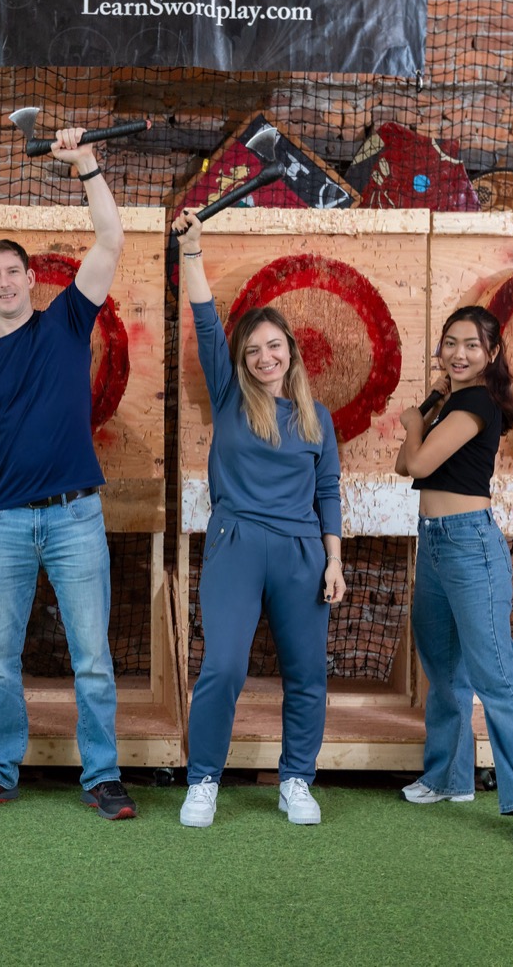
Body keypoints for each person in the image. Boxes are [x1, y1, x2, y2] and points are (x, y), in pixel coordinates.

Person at [0, 127, 137, 820]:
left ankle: (103, 775)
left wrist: (85, 163)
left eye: (13, 271)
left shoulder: (66, 322)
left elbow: (110, 240)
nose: (4, 282)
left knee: (92, 657)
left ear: (31, 279)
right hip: (2, 526)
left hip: (74, 517)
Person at [171, 212, 346, 829]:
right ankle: (203, 781)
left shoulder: (316, 416)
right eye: (253, 351)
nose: (265, 357)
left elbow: (328, 490)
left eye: (273, 346)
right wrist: (192, 250)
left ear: (289, 349)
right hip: (236, 543)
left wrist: (334, 560)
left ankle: (296, 779)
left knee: (307, 674)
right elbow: (205, 320)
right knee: (223, 667)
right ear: (242, 361)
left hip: (302, 553)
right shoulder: (228, 396)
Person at [394, 305, 513, 850]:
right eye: (450, 343)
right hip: (435, 543)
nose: (458, 353)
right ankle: (448, 778)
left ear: (491, 354)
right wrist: (426, 411)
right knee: (444, 670)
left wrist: (414, 423)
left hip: (470, 546)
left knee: (496, 675)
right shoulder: (451, 402)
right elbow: (403, 466)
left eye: (470, 345)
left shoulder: (478, 402)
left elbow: (417, 463)